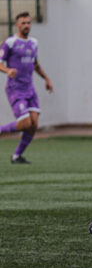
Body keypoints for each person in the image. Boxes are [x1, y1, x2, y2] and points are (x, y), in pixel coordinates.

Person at [0, 12, 54, 164]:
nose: (26, 25)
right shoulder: (10, 42)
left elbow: (35, 64)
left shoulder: (33, 43)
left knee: (34, 125)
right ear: (17, 25)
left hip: (30, 89)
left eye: (28, 23)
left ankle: (17, 156)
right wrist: (8, 70)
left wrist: (46, 78)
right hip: (15, 89)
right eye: (23, 23)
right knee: (25, 123)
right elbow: (0, 63)